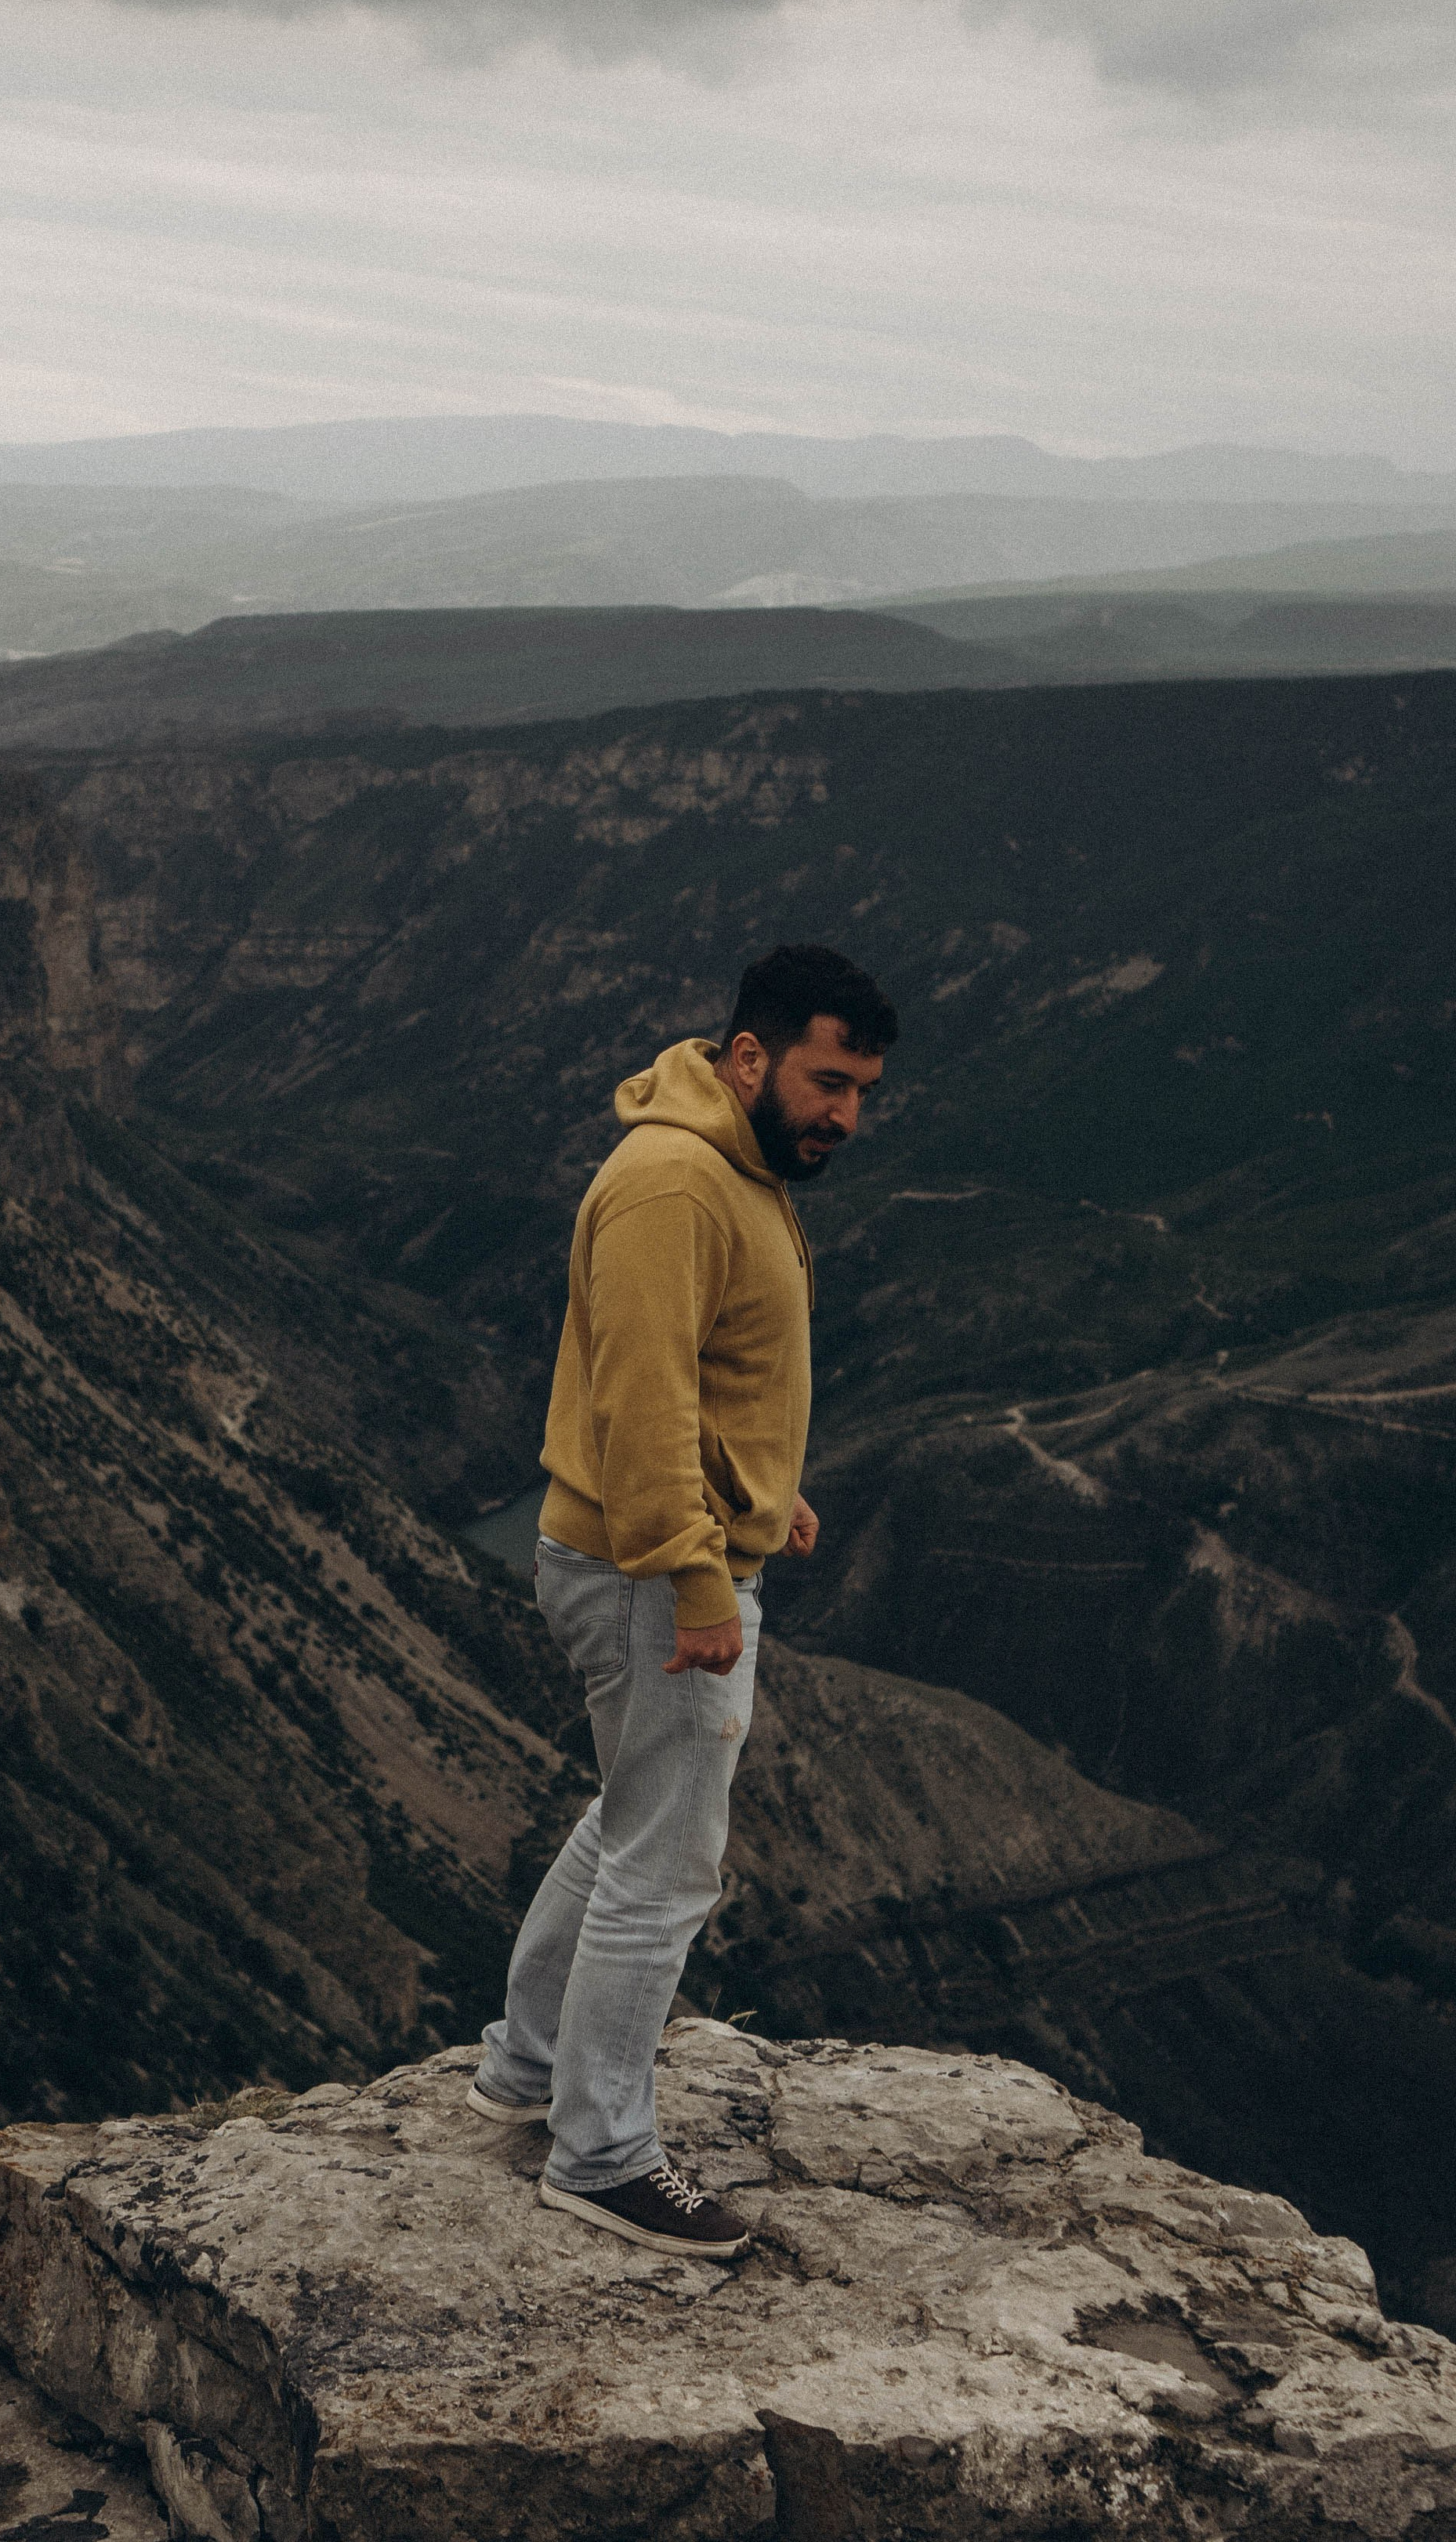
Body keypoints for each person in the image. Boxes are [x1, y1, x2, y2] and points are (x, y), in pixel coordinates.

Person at [468, 942, 896, 2257]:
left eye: (865, 1092)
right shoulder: (672, 1182)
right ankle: (602, 2156)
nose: (845, 1116)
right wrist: (705, 1574)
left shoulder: (732, 1163)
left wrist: (766, 1494)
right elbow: (638, 1405)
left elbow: (713, 1377)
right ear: (751, 1057)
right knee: (669, 1867)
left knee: (627, 1820)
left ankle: (527, 2069)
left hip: (657, 1553)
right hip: (650, 1575)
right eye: (829, 1081)